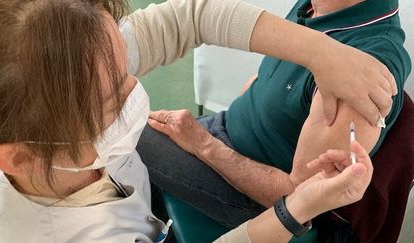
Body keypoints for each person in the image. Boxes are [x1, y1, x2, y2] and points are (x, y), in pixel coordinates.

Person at [0, 0, 396, 242]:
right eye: (112, 102)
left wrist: (322, 53)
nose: (137, 95)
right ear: (17, 158)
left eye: (129, 65)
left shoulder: (81, 62)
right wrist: (295, 208)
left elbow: (192, 18)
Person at [137, 0, 412, 241]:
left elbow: (299, 200)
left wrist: (203, 144)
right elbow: (263, 82)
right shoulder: (315, 7)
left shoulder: (362, 79)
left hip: (255, 200)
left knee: (126, 131)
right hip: (225, 132)